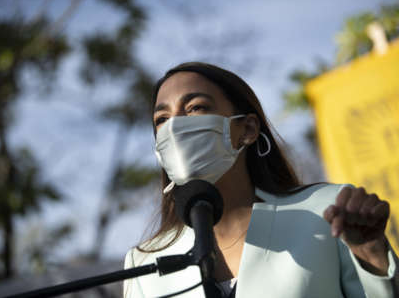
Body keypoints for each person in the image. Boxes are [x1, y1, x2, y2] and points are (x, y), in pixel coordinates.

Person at [124, 62, 398, 297]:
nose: (175, 127)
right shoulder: (144, 263)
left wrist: (372, 255)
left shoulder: (329, 212)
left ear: (248, 129)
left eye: (195, 108)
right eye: (162, 119)